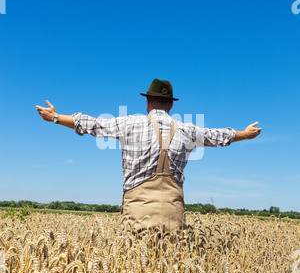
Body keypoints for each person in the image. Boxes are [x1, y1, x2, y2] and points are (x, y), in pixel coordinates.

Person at [36, 78, 261, 232]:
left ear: (147, 102)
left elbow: (93, 125)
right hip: (174, 216)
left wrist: (56, 117)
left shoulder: (130, 123)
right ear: (171, 104)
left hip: (137, 215)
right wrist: (245, 134)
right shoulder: (188, 130)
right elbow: (218, 136)